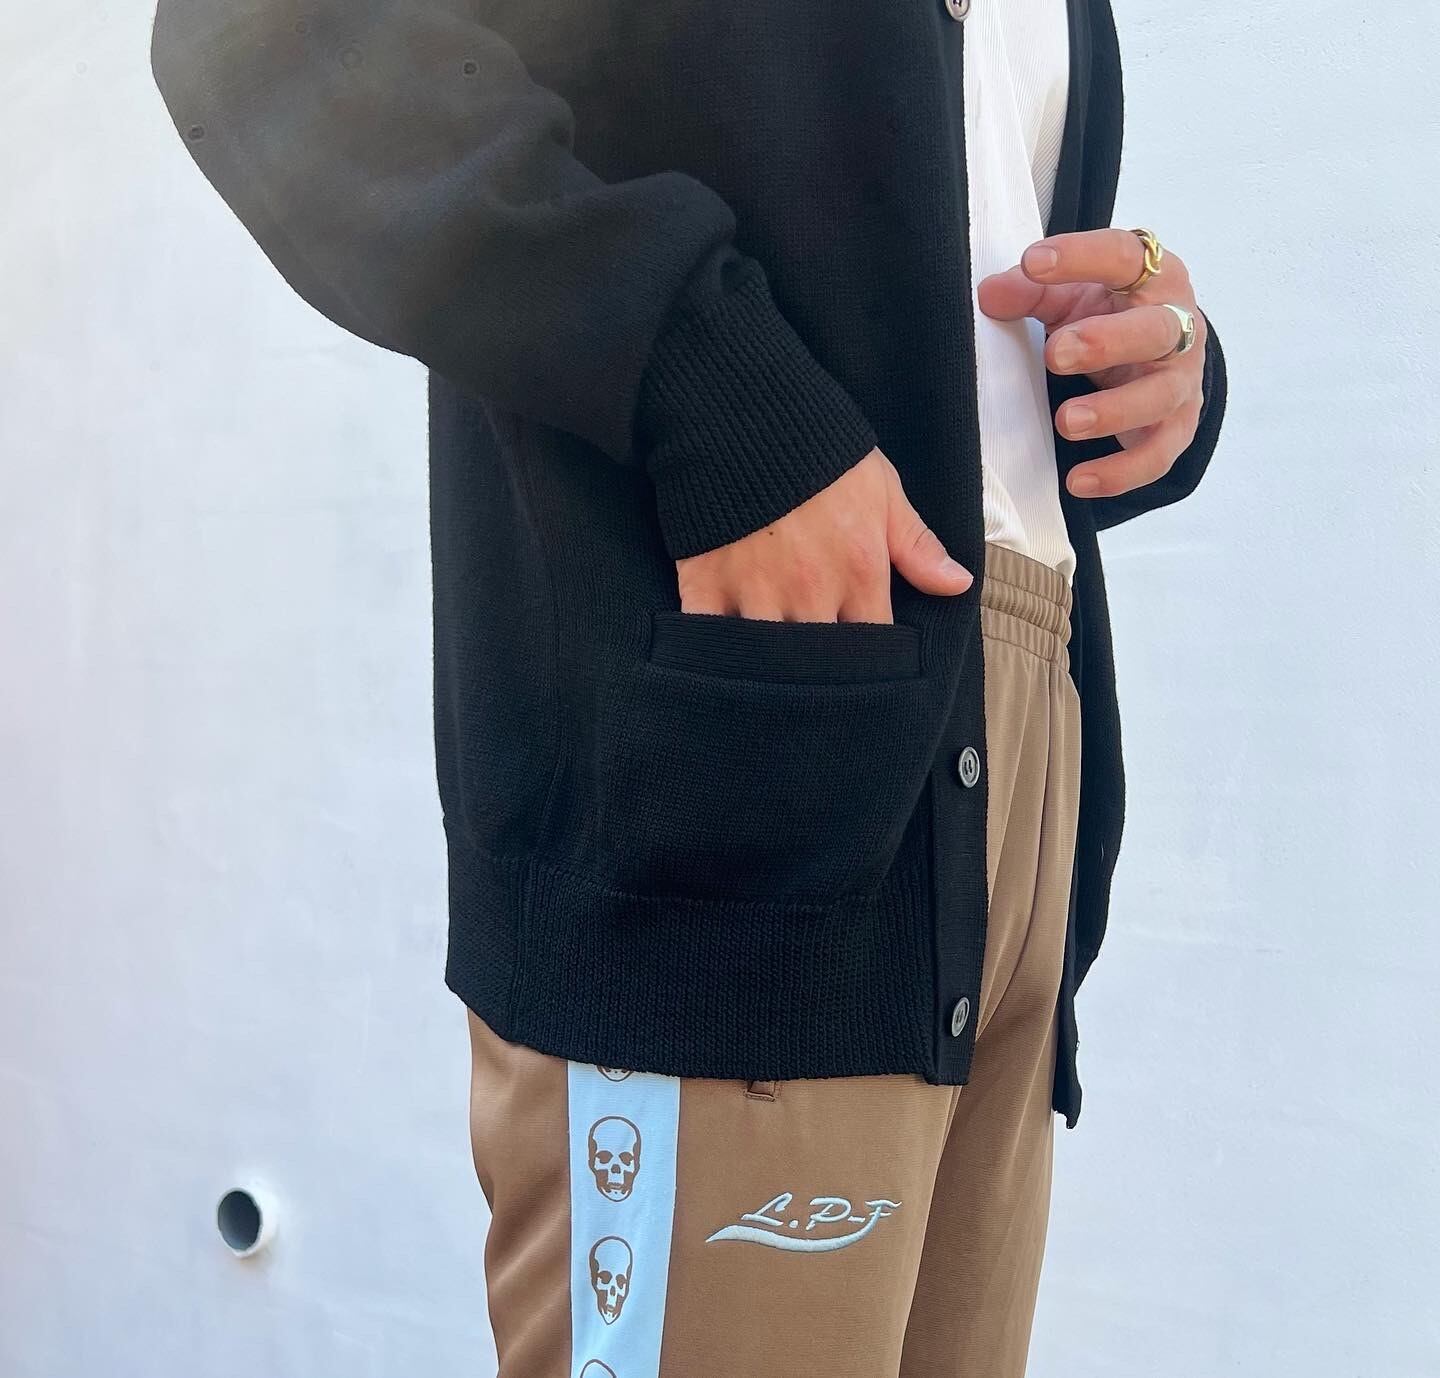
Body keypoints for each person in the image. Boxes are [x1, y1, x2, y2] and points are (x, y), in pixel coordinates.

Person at [150, 0, 1227, 1372]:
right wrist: (702, 382)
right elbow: (270, 40)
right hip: (741, 760)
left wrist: (1142, 366)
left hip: (1016, 751)